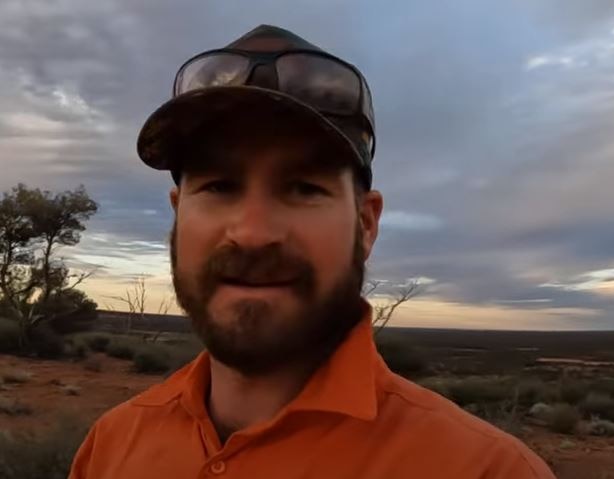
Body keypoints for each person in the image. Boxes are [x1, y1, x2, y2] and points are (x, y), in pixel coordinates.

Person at [68, 24, 556, 479]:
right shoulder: (111, 446)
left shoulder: (486, 469)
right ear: (178, 213)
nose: (253, 233)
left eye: (303, 188)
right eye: (219, 186)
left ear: (366, 224)